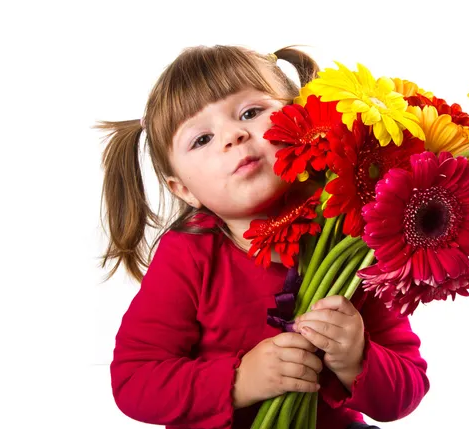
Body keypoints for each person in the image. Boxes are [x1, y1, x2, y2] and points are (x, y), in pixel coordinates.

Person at [96, 44, 430, 429]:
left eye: (251, 113)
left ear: (301, 120)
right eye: (202, 139)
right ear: (181, 188)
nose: (234, 135)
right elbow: (135, 382)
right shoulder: (188, 255)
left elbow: (407, 390)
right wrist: (239, 380)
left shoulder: (351, 239)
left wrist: (357, 357)